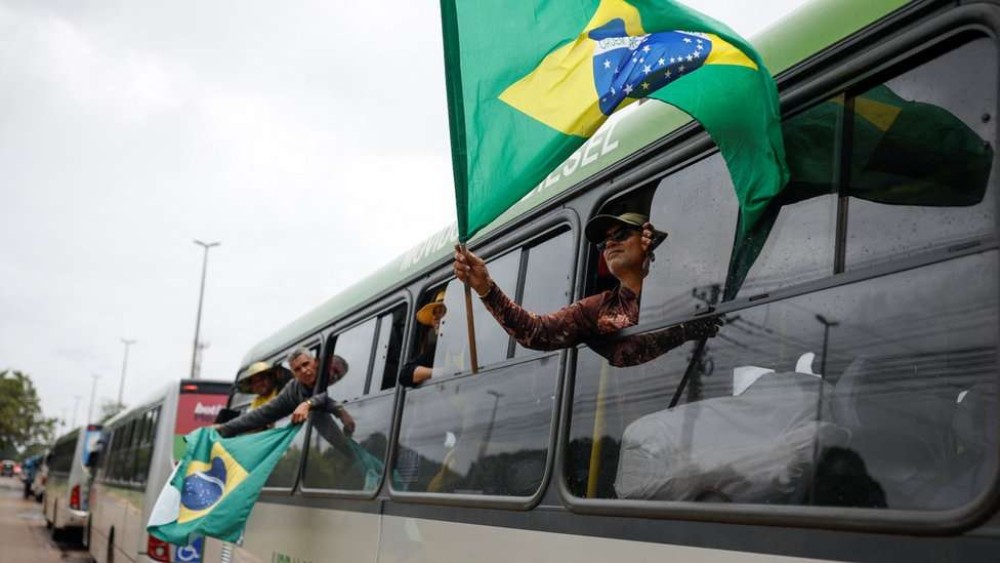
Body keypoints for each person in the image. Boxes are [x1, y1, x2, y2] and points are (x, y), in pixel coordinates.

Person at [453, 211, 722, 367]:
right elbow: (536, 332)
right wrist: (485, 287)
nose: (610, 245)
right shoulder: (596, 309)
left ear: (647, 239)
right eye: (604, 244)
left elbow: (712, 281)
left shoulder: (688, 286)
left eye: (620, 235)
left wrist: (672, 253)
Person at [216, 348, 356, 437]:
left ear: (315, 363)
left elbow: (323, 398)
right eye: (298, 369)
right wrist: (223, 428)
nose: (333, 375)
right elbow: (259, 415)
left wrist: (310, 404)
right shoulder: (292, 391)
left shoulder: (340, 390)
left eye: (338, 373)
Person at [399, 289, 446, 387]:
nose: (435, 318)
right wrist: (440, 372)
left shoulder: (470, 343)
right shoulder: (437, 350)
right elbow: (405, 374)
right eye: (434, 313)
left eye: (441, 312)